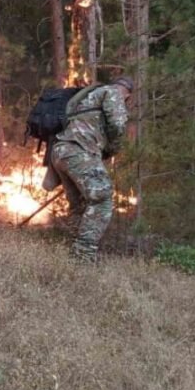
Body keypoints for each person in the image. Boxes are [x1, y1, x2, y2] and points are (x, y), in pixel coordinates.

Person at [50, 75, 133, 263]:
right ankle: (83, 256)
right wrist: (113, 148)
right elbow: (118, 125)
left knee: (79, 204)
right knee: (102, 198)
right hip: (79, 150)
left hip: (60, 151)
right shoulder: (113, 93)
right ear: (127, 95)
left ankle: (74, 254)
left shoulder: (89, 96)